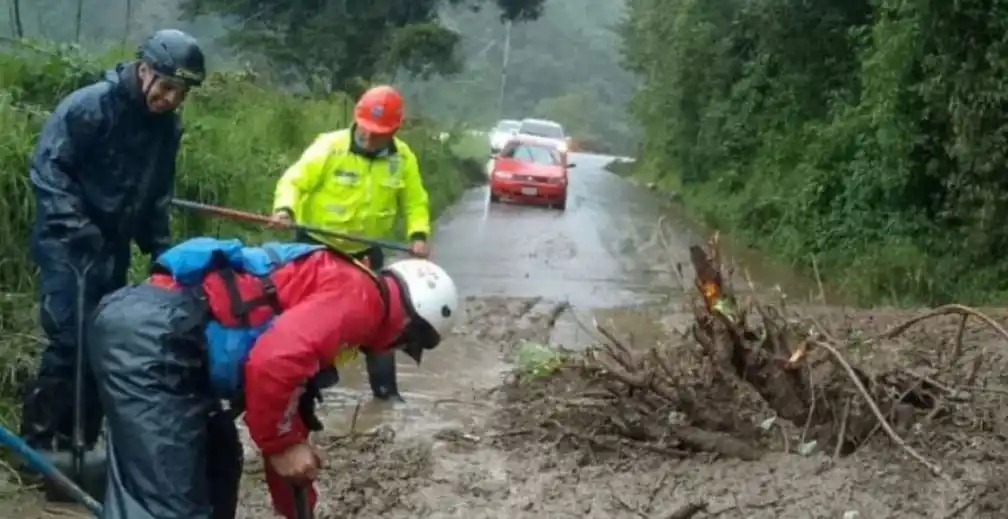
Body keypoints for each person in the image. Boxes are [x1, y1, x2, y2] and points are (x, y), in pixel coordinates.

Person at [87, 236, 459, 519]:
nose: (391, 349)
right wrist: (281, 445)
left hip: (174, 343)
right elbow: (272, 363)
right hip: (154, 335)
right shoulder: (363, 301)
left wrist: (297, 505)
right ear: (409, 323)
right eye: (404, 343)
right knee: (170, 504)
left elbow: (288, 409)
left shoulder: (342, 296)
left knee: (219, 467)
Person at [20, 28, 206, 493]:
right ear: (144, 70)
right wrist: (73, 224)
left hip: (113, 242)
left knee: (104, 338)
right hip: (67, 240)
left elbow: (156, 194)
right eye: (164, 86)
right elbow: (48, 168)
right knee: (69, 339)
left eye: (179, 92)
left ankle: (82, 444)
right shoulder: (89, 107)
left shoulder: (168, 129)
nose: (169, 98)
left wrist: (162, 252)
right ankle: (36, 447)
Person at [271, 84, 433, 402]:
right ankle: (296, 390)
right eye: (366, 130)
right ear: (356, 119)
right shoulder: (329, 147)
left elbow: (415, 202)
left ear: (394, 131)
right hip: (317, 247)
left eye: (379, 133)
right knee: (304, 319)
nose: (370, 138)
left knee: (381, 323)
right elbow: (294, 180)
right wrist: (284, 208)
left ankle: (387, 396)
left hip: (364, 252)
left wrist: (418, 235)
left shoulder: (403, 159)